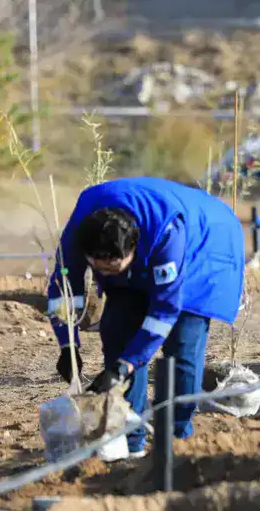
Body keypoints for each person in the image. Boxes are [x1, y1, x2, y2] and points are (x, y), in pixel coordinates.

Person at [47, 177, 244, 459]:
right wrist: (68, 345)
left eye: (113, 267)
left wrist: (125, 366)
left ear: (133, 249)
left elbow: (164, 312)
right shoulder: (81, 231)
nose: (106, 273)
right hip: (142, 257)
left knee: (182, 345)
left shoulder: (167, 234)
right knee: (117, 329)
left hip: (204, 248)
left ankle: (175, 441)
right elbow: (64, 288)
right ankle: (132, 442)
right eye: (100, 268)